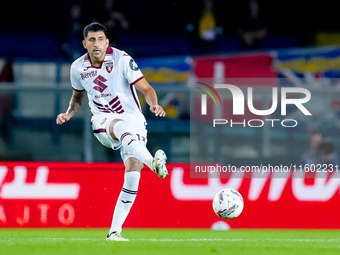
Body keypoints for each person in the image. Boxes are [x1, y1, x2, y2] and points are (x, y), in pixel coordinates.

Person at [56, 22, 168, 241]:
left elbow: (146, 88)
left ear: (107, 42)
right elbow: (77, 98)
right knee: (119, 126)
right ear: (84, 43)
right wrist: (69, 113)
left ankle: (114, 232)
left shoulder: (122, 59)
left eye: (100, 40)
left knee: (133, 176)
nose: (96, 44)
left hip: (133, 120)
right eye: (91, 40)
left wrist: (154, 104)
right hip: (102, 121)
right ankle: (153, 162)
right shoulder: (77, 68)